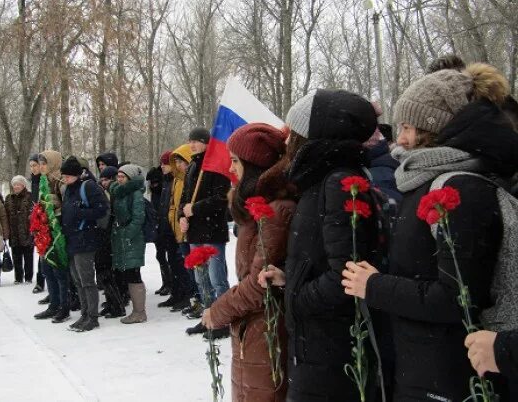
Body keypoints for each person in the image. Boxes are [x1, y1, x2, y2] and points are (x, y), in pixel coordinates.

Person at [342, 63, 517, 401]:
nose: (400, 139)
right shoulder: (426, 181)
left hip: (451, 376)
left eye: (407, 127)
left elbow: (457, 300)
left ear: (434, 127)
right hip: (426, 368)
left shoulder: (460, 188)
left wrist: (375, 286)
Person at [263, 89, 378, 401]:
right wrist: (291, 277)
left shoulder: (338, 184)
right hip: (317, 344)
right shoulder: (319, 182)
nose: (285, 143)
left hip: (330, 348)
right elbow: (324, 258)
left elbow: (348, 275)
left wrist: (298, 298)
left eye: (292, 134)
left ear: (310, 138)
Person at [202, 123, 295, 401]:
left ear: (253, 165)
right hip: (252, 329)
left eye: (235, 161)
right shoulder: (254, 210)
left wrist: (216, 312)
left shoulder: (276, 211)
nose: (230, 169)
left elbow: (259, 284)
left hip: (268, 330)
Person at [179, 127, 231, 337]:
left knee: (217, 278)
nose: (192, 145)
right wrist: (182, 215)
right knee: (201, 279)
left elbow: (221, 200)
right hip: (195, 232)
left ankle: (224, 320)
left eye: (197, 141)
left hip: (212, 231)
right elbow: (185, 197)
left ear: (207, 143)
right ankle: (207, 317)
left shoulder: (217, 167)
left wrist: (196, 208)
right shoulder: (192, 167)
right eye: (190, 141)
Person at [60, 156, 109, 332]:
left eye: (67, 176)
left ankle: (93, 316)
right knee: (77, 280)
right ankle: (84, 313)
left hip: (85, 240)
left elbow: (102, 209)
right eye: (63, 176)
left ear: (75, 174)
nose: (64, 179)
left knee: (87, 280)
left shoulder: (88, 186)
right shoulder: (67, 190)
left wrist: (80, 214)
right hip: (71, 240)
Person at [34, 150, 71, 323]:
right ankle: (54, 304)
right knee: (47, 269)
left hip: (59, 232)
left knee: (60, 271)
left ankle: (64, 307)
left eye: (44, 163)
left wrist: (55, 206)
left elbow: (69, 207)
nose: (41, 167)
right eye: (40, 163)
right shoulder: (43, 180)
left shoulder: (61, 181)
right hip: (45, 231)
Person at [110, 164, 148, 324]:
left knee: (133, 273)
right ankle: (136, 310)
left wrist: (127, 234)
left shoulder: (136, 194)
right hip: (121, 237)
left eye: (122, 177)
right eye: (118, 176)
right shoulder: (119, 192)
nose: (119, 179)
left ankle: (139, 312)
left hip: (132, 239)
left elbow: (138, 218)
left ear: (130, 178)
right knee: (127, 273)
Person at [166, 145, 199, 314]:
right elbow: (176, 206)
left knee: (195, 269)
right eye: (176, 162)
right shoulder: (177, 180)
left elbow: (185, 204)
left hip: (189, 230)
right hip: (180, 230)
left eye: (181, 161)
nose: (178, 165)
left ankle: (198, 300)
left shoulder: (192, 179)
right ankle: (194, 299)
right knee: (188, 267)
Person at [97, 166, 126, 318]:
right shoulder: (106, 193)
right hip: (106, 236)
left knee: (110, 273)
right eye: (101, 180)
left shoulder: (116, 193)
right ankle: (111, 302)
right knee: (104, 272)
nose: (104, 183)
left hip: (111, 237)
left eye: (106, 179)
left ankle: (118, 304)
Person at [5, 175, 34, 284]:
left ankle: (28, 277)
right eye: (14, 184)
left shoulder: (30, 196)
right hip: (14, 232)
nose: (16, 186)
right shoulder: (8, 198)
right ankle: (18, 277)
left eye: (19, 184)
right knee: (16, 256)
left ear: (23, 185)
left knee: (28, 257)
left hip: (27, 231)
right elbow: (5, 214)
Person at [147, 164, 170, 296]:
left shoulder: (163, 189)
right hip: (158, 227)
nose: (152, 185)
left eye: (154, 182)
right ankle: (166, 282)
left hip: (164, 227)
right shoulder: (156, 191)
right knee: (160, 256)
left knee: (167, 257)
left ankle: (169, 282)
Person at [29, 154, 45, 294]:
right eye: (31, 166)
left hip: (45, 219)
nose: (33, 168)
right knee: (40, 252)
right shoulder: (34, 181)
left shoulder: (44, 180)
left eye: (35, 165)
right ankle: (40, 281)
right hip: (36, 220)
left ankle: (42, 280)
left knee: (45, 253)